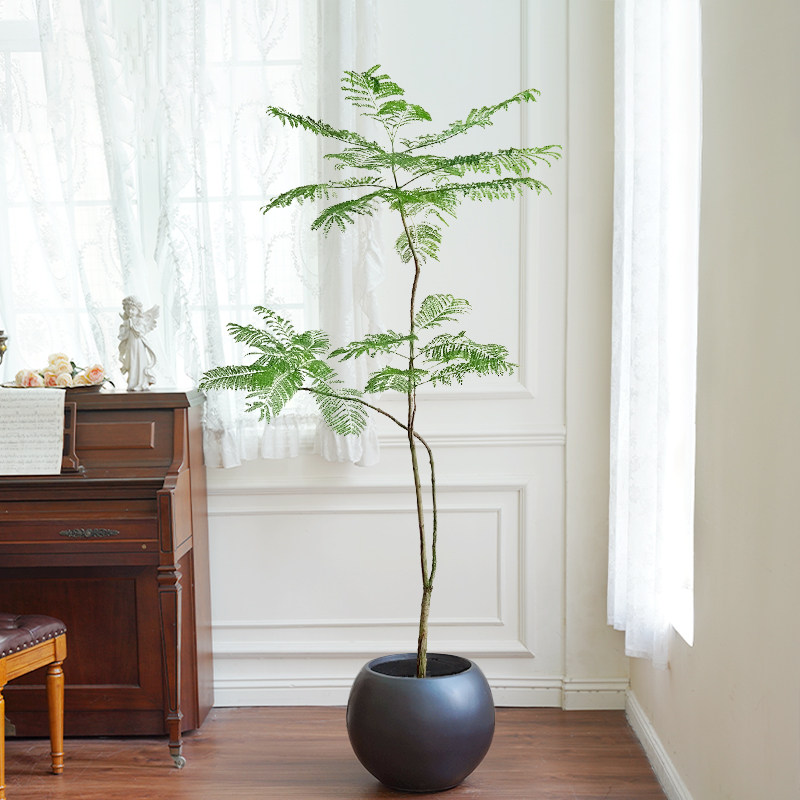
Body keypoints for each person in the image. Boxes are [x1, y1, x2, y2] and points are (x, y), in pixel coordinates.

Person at [118, 296, 159, 391]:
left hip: (139, 344)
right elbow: (123, 334)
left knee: (139, 362)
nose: (130, 311)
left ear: (138, 310)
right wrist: (126, 326)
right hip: (130, 345)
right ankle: (132, 383)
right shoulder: (127, 321)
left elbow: (140, 332)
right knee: (132, 361)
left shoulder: (140, 320)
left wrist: (132, 325)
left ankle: (141, 383)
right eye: (128, 309)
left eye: (132, 309)